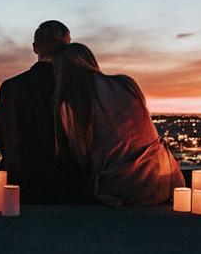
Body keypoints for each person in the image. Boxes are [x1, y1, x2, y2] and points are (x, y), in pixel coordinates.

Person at [53, 43, 185, 207]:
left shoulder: (72, 106)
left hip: (124, 190)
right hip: (167, 179)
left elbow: (81, 157)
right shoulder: (126, 83)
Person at [0, 20, 81, 203]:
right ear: (67, 46)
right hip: (64, 187)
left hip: (17, 185)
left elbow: (4, 141)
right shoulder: (74, 86)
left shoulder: (9, 87)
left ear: (35, 48)